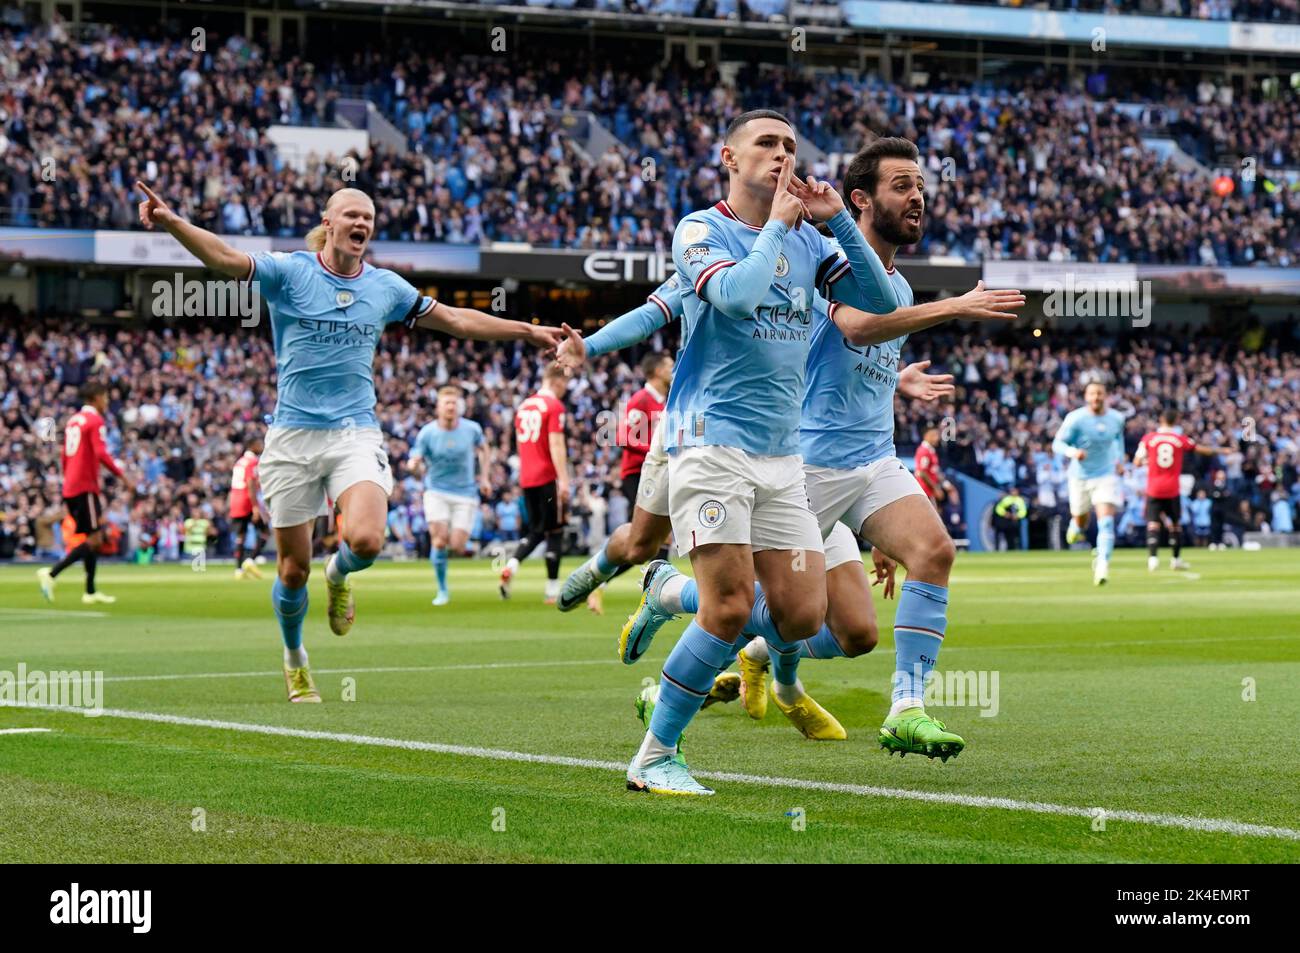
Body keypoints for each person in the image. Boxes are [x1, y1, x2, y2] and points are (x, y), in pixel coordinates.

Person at [136, 181, 563, 702]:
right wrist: (173, 221)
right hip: (292, 437)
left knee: (365, 540)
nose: (362, 224)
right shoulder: (290, 272)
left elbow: (453, 319)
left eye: (370, 218)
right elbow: (225, 258)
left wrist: (527, 330)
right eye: (352, 215)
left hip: (354, 432)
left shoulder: (385, 287)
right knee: (292, 571)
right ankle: (295, 658)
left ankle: (338, 574)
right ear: (329, 222)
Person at [37, 381, 126, 605]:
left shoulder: (73, 421)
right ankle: (51, 573)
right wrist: (123, 476)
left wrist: (69, 482)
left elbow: (65, 456)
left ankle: (90, 591)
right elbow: (101, 453)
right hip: (84, 486)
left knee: (91, 538)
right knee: (95, 538)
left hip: (71, 486)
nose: (106, 401)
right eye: (105, 397)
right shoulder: (95, 420)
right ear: (95, 398)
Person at [411, 384, 489, 605]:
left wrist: (484, 477)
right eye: (447, 403)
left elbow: (484, 449)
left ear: (460, 407)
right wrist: (414, 466)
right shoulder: (427, 433)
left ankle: (461, 552)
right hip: (436, 491)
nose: (451, 407)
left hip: (465, 492)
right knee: (439, 540)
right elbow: (416, 465)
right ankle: (442, 589)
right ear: (438, 407)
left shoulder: (472, 429)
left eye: (454, 403)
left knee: (456, 545)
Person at [499, 363, 571, 604]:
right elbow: (556, 444)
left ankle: (512, 564)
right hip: (547, 476)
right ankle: (552, 590)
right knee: (555, 531)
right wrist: (563, 480)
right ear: (558, 381)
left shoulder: (523, 406)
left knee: (536, 530)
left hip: (527, 477)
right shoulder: (554, 406)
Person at [1132, 407, 1231, 571]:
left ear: (1161, 421)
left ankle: (1153, 560)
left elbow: (1136, 462)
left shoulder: (1149, 438)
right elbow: (1200, 449)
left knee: (1153, 524)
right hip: (1172, 488)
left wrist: (1149, 462)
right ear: (1175, 421)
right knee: (1175, 525)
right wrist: (1222, 450)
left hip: (1154, 488)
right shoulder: (1179, 438)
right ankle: (1176, 560)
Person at [1052, 379, 1127, 586]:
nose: (1096, 397)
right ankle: (1075, 525)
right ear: (1086, 397)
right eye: (1092, 394)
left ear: (1106, 396)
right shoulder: (1075, 418)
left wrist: (1119, 461)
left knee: (1106, 521)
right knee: (1081, 519)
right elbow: (1057, 443)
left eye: (1100, 393)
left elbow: (1118, 440)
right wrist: (1073, 452)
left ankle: (1102, 564)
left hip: (1106, 475)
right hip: (1080, 477)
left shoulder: (1116, 418)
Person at [230, 435, 269, 579]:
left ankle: (238, 570)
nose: (262, 446)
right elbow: (250, 483)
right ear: (252, 445)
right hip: (247, 499)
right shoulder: (252, 462)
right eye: (259, 443)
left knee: (241, 536)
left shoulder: (240, 461)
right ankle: (250, 560)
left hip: (236, 499)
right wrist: (256, 507)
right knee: (265, 530)